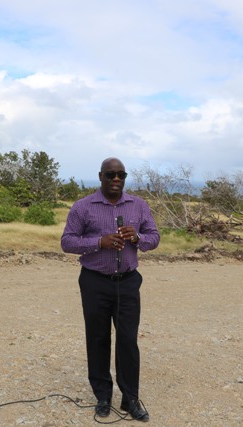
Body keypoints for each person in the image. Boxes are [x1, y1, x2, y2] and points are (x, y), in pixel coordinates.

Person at [61, 157, 160, 422]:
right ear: (101, 176)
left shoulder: (138, 205)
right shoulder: (84, 207)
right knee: (98, 338)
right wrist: (99, 242)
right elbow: (67, 242)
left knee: (128, 340)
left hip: (127, 282)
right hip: (95, 281)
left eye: (121, 175)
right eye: (110, 175)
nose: (116, 179)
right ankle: (103, 396)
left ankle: (130, 399)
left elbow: (154, 237)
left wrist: (137, 238)